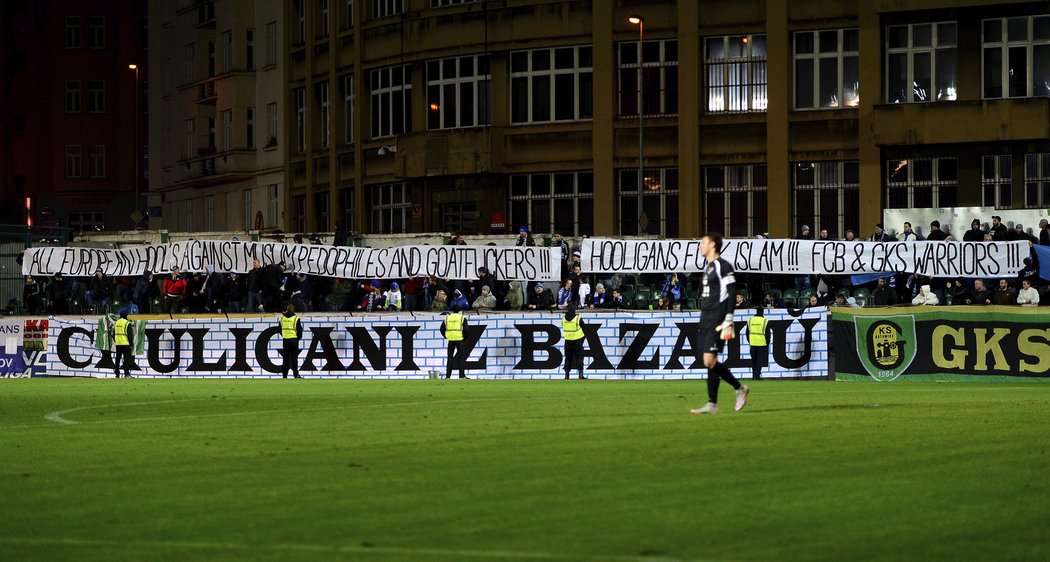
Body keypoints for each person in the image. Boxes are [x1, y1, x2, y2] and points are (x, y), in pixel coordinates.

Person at [690, 232, 749, 415]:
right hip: (705, 319)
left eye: (703, 242)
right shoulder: (708, 268)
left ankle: (739, 388)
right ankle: (712, 404)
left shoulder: (723, 266)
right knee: (709, 361)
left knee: (709, 360)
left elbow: (731, 292)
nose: (700, 245)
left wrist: (729, 318)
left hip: (718, 319)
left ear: (713, 244)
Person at [440, 304, 468, 378]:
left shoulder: (447, 318)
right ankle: (461, 376)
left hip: (451, 339)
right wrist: (465, 338)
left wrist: (446, 336)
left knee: (450, 357)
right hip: (459, 339)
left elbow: (441, 329)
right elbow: (466, 330)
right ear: (459, 311)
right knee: (461, 357)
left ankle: (448, 376)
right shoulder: (462, 318)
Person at [561, 302, 586, 380]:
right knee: (579, 357)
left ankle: (567, 375)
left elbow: (563, 325)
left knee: (568, 357)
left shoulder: (563, 318)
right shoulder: (578, 318)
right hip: (577, 340)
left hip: (567, 340)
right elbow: (584, 327)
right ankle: (580, 374)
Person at [744, 306, 770, 380]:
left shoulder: (750, 320)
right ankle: (757, 376)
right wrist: (767, 343)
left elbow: (747, 333)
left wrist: (750, 341)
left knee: (753, 360)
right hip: (762, 343)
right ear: (762, 312)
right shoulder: (765, 321)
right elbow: (768, 334)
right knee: (759, 361)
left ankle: (753, 375)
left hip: (753, 343)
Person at [278, 304, 303, 378]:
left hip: (285, 340)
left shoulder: (282, 318)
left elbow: (279, 329)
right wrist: (298, 338)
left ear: (287, 309)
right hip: (294, 340)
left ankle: (284, 374)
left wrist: (284, 335)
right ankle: (295, 374)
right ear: (293, 309)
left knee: (285, 358)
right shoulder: (296, 318)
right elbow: (300, 330)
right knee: (294, 358)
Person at [112, 309, 134, 378]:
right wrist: (131, 344)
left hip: (118, 344)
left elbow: (113, 334)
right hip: (126, 344)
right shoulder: (127, 323)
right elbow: (130, 335)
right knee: (126, 359)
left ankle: (117, 374)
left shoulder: (116, 323)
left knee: (117, 359)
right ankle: (126, 374)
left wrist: (116, 341)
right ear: (126, 316)